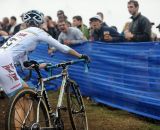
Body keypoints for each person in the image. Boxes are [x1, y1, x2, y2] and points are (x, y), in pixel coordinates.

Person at [0, 10, 90, 97]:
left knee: (26, 93)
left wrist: (41, 65)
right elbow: (63, 48)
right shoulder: (39, 32)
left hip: (3, 59)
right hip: (4, 62)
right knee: (22, 102)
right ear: (40, 23)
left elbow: (24, 66)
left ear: (26, 23)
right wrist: (80, 55)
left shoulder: (21, 33)